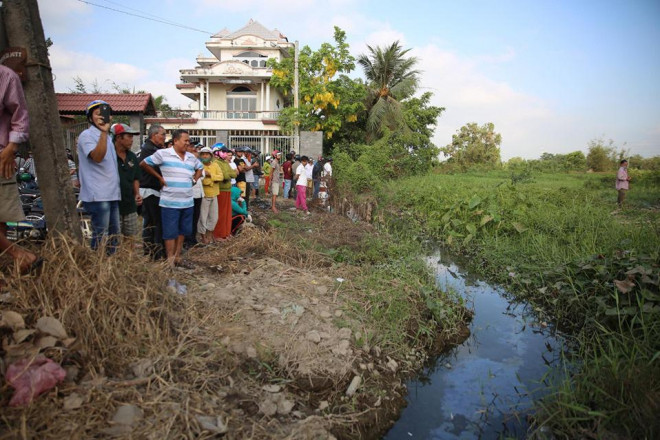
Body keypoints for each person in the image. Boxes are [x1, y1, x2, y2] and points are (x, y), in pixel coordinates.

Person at [0, 64, 42, 275]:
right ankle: (21, 255)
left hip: (2, 158)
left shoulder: (5, 76)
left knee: (1, 221)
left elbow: (20, 117)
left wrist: (11, 148)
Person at [140, 129, 202, 267]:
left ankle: (178, 257)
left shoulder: (191, 157)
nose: (188, 143)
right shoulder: (163, 154)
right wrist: (159, 178)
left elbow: (200, 168)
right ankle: (170, 258)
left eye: (188, 141)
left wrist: (194, 180)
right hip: (170, 202)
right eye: (185, 140)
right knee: (170, 232)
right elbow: (143, 163)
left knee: (182, 231)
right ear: (175, 140)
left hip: (187, 201)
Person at [77, 100, 121, 253]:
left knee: (114, 235)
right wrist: (103, 132)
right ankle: (97, 266)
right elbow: (97, 157)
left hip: (112, 193)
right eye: (98, 113)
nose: (102, 116)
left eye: (105, 113)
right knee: (101, 234)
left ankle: (110, 268)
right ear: (90, 118)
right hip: (98, 195)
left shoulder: (108, 137)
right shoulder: (87, 135)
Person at [137, 124, 167, 260]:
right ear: (154, 135)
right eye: (163, 135)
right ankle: (151, 251)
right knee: (151, 223)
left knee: (155, 222)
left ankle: (155, 250)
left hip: (155, 189)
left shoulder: (155, 148)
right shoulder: (148, 149)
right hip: (149, 190)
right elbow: (144, 164)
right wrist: (159, 177)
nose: (165, 138)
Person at [112, 123, 142, 240]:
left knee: (131, 237)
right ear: (119, 138)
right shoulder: (109, 156)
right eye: (129, 136)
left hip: (130, 204)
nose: (132, 140)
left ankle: (129, 258)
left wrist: (137, 194)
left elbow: (135, 178)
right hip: (114, 203)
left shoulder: (132, 157)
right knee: (114, 237)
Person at [197, 146, 223, 244]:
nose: (205, 156)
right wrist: (212, 180)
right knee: (203, 217)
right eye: (203, 154)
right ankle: (203, 237)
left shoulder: (215, 165)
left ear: (211, 156)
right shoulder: (199, 165)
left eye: (207, 154)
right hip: (204, 194)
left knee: (214, 217)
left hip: (214, 194)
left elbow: (221, 177)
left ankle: (210, 234)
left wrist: (210, 176)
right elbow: (201, 181)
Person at [213, 146, 237, 240]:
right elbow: (224, 176)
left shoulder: (226, 163)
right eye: (224, 152)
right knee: (221, 213)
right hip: (221, 190)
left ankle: (226, 233)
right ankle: (219, 234)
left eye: (226, 152)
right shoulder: (216, 163)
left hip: (228, 189)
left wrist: (228, 175)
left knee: (227, 213)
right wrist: (228, 175)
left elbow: (234, 174)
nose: (226, 154)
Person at [185, 142, 204, 248]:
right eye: (191, 147)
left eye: (194, 147)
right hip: (190, 193)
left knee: (195, 217)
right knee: (189, 218)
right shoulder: (185, 160)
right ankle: (187, 240)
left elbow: (203, 174)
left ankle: (192, 239)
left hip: (198, 192)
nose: (194, 149)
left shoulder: (197, 160)